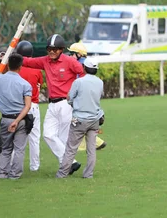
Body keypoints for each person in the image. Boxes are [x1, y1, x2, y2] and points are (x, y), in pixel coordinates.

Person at [22, 34, 85, 174]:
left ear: (61, 49)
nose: (51, 51)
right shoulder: (45, 61)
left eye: (55, 49)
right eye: (49, 49)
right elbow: (28, 62)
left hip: (66, 104)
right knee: (48, 135)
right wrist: (11, 57)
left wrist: (78, 94)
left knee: (63, 137)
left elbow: (83, 75)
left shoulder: (70, 61)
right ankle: (70, 162)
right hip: (52, 104)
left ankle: (67, 164)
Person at [0, 53, 32, 179]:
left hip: (6, 119)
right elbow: (28, 106)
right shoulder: (25, 84)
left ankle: (2, 173)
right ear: (20, 67)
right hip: (21, 120)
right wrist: (17, 121)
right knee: (19, 149)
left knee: (6, 148)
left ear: (8, 65)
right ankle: (15, 175)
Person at [56, 58, 104, 179]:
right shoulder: (100, 82)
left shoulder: (79, 82)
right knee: (91, 149)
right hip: (95, 119)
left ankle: (62, 173)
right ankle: (88, 174)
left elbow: (70, 98)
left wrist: (74, 103)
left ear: (84, 67)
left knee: (71, 148)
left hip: (80, 119)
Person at [68, 43, 106, 151]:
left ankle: (92, 143)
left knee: (76, 124)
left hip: (80, 102)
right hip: (92, 102)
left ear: (79, 54)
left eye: (72, 53)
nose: (70, 56)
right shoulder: (86, 65)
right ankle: (97, 142)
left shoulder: (79, 66)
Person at [15, 40, 44, 172]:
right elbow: (40, 84)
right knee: (34, 138)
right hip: (33, 105)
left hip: (18, 106)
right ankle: (34, 166)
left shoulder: (16, 69)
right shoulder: (37, 69)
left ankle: (12, 164)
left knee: (15, 137)